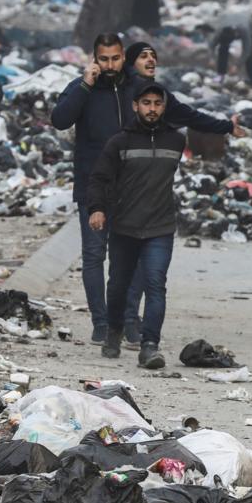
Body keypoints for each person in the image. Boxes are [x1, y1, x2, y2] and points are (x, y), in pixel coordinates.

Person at [52, 34, 147, 347]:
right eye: (103, 59)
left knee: (133, 257)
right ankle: (101, 323)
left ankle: (130, 322)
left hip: (133, 188)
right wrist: (85, 84)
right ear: (94, 59)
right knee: (94, 256)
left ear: (123, 58)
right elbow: (59, 119)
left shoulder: (136, 87)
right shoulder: (84, 87)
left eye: (115, 59)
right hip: (93, 187)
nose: (109, 65)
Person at [86, 82, 185, 370]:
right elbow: (99, 179)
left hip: (160, 227)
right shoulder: (119, 142)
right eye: (146, 103)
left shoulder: (176, 141)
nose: (152, 109)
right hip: (124, 227)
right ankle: (114, 331)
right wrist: (97, 209)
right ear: (135, 106)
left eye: (157, 103)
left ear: (164, 106)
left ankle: (149, 345)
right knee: (118, 287)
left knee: (156, 284)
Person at [212, 11, 252, 87]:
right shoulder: (220, 30)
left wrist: (237, 65)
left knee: (250, 54)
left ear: (236, 35)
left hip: (248, 22)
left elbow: (246, 51)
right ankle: (221, 75)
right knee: (223, 48)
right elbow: (211, 45)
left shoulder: (245, 30)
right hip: (228, 21)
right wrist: (212, 59)